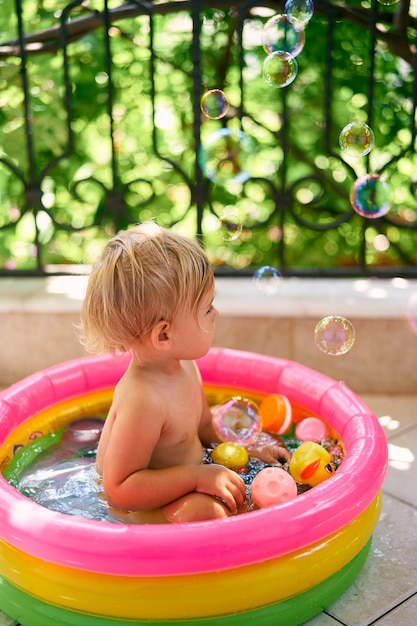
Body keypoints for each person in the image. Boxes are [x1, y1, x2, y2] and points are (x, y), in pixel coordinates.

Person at [80, 222, 290, 523]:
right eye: (206, 309)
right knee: (208, 512)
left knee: (225, 498)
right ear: (164, 335)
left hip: (186, 480)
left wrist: (251, 450)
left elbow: (204, 426)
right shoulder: (144, 399)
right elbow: (119, 489)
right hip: (138, 510)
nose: (215, 314)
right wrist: (196, 477)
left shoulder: (184, 366)